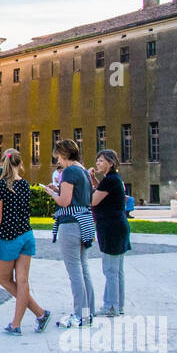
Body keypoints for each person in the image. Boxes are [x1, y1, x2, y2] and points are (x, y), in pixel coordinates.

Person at [0, 149, 49, 335]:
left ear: (3, 163)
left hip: (8, 238)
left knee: (5, 281)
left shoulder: (0, 186)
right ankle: (38, 315)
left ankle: (19, 324)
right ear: (19, 163)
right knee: (22, 282)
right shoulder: (24, 184)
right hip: (26, 235)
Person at [40, 138, 97, 327]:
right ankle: (88, 312)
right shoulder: (83, 171)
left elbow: (64, 201)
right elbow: (80, 197)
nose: (57, 161)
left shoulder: (69, 171)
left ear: (63, 154)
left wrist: (52, 194)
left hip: (71, 223)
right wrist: (59, 189)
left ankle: (80, 315)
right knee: (83, 269)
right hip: (85, 222)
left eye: (58, 157)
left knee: (74, 271)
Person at [91, 150, 131, 317]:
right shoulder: (114, 179)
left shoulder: (110, 180)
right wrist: (93, 179)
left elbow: (93, 200)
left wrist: (84, 183)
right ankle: (118, 305)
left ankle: (111, 306)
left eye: (101, 161)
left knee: (110, 270)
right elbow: (101, 190)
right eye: (98, 160)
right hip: (119, 225)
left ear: (111, 163)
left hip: (111, 227)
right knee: (117, 269)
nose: (98, 163)